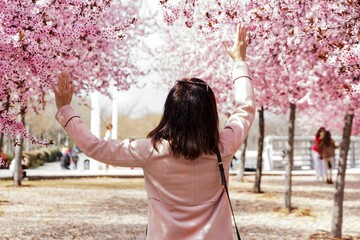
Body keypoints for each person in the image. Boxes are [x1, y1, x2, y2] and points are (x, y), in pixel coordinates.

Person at [53, 24, 255, 239]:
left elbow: (95, 147)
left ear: (170, 111)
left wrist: (66, 110)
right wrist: (240, 64)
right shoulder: (223, 147)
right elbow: (245, 109)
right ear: (209, 113)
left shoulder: (151, 150)